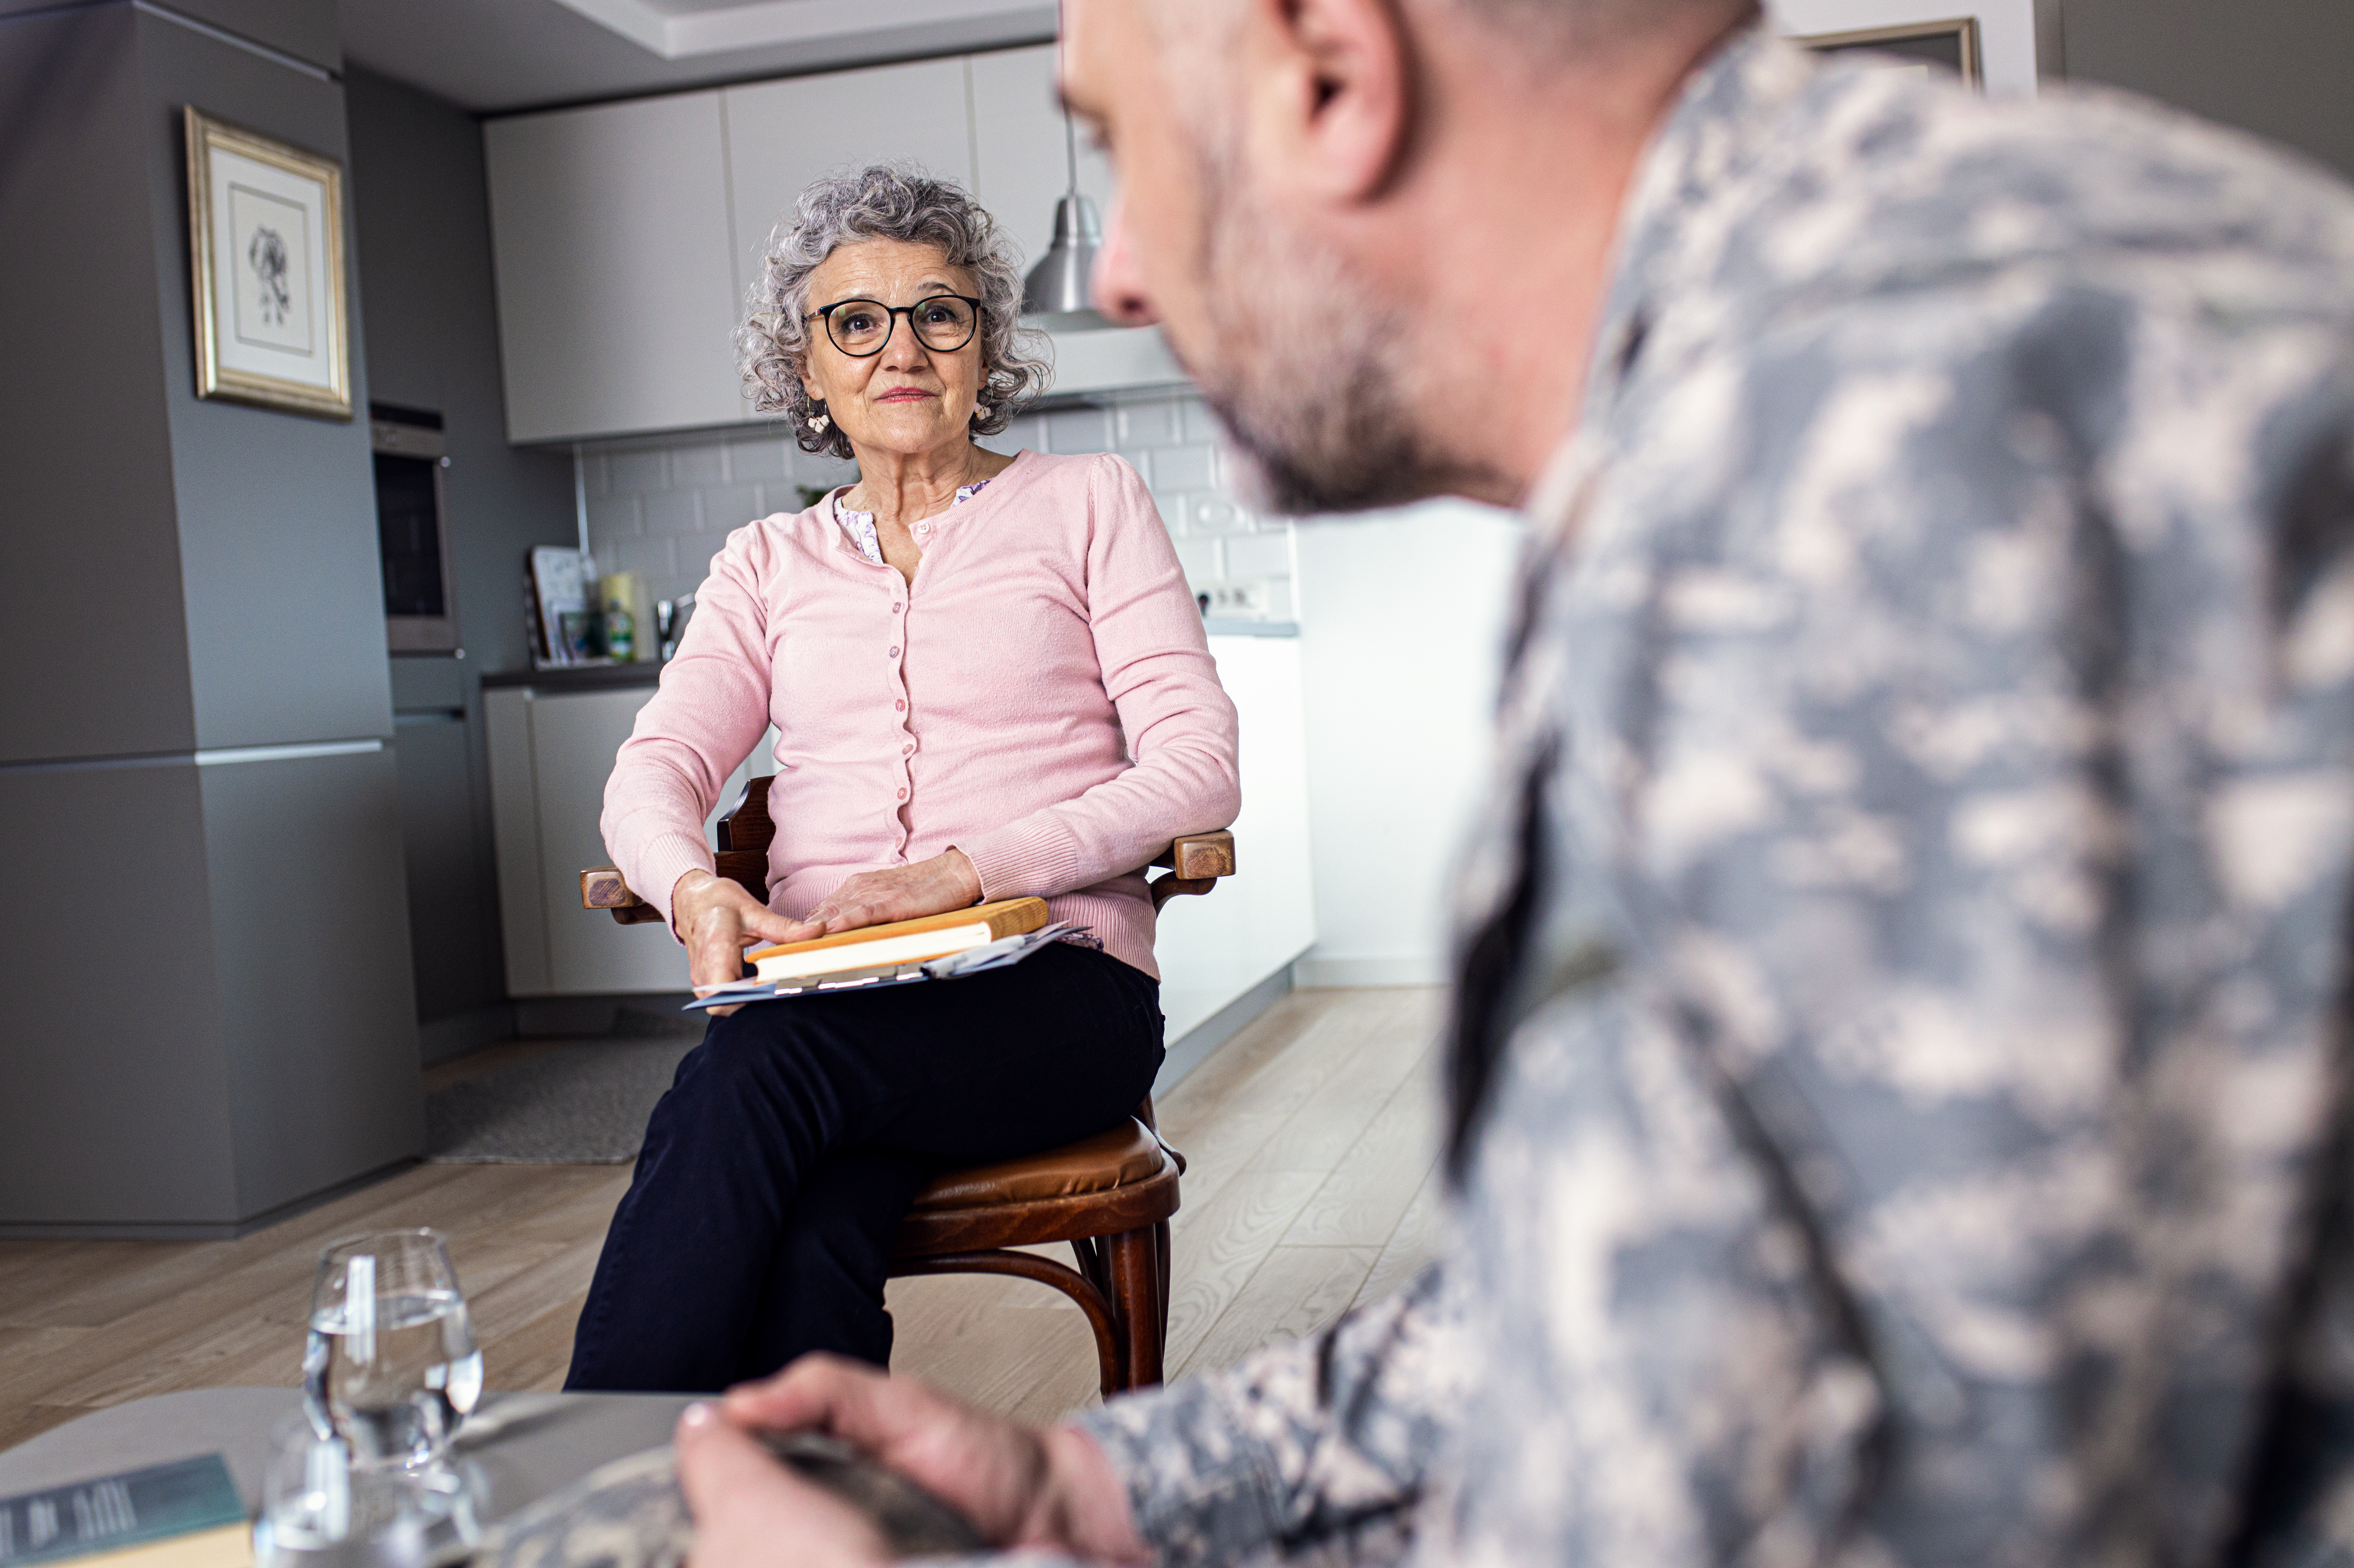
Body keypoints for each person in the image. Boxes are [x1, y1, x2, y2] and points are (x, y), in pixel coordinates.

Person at [668, 0, 2354, 1563]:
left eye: (1125, 153)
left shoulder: (1884, 444)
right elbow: (1663, 1305)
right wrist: (1094, 1486)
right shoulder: (1768, 373)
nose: (1111, 277)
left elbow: (1858, 1508)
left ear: (1331, 79)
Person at [565, 163, 1240, 1394]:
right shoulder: (765, 561)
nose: (901, 347)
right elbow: (657, 766)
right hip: (833, 1000)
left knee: (752, 1073)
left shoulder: (1089, 502)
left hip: (1054, 990)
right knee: (814, 1223)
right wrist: (691, 891)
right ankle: (819, 1512)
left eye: (939, 311)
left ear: (984, 345)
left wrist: (964, 872)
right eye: (854, 321)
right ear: (807, 369)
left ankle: (585, 1495)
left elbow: (1197, 766)